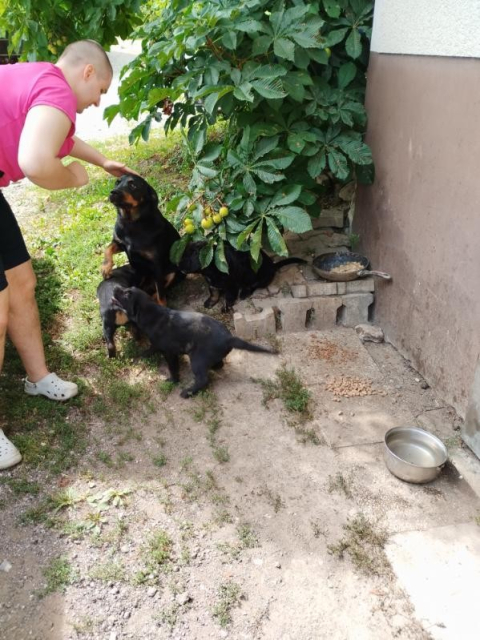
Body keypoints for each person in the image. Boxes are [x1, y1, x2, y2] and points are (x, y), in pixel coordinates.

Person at [0, 40, 137, 470]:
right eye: (100, 93)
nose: (97, 104)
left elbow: (61, 138)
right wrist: (72, 180)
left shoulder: (41, 77)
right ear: (88, 73)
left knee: (22, 281)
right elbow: (37, 160)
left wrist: (101, 161)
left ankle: (38, 378)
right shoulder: (57, 90)